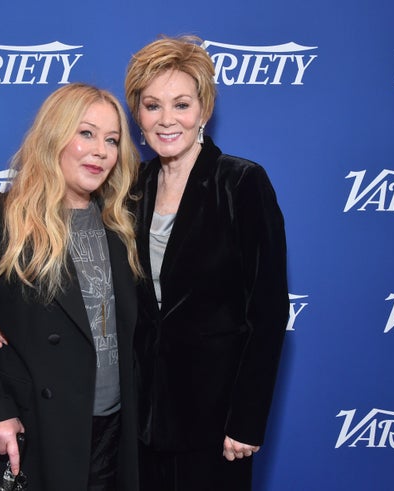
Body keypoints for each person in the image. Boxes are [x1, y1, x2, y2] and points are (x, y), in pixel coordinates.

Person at [0, 83, 143, 491]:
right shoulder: (0, 218)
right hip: (34, 430)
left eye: (112, 140)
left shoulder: (123, 223)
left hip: (113, 433)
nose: (101, 150)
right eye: (85, 133)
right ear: (54, 136)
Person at [124, 35, 289, 490]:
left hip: (217, 422)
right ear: (138, 115)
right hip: (141, 420)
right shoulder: (130, 189)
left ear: (204, 109)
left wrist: (248, 420)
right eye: (152, 105)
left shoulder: (242, 183)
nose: (166, 119)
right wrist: (7, 316)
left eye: (181, 104)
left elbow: (269, 310)